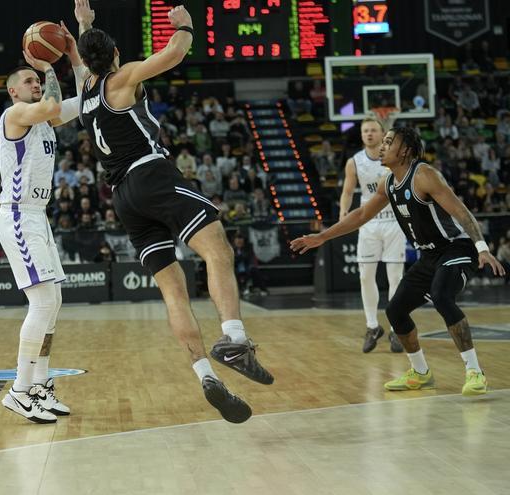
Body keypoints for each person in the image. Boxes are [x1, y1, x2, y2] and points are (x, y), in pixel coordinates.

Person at [76, 0, 271, 424]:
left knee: (173, 290)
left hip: (123, 198)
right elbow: (175, 54)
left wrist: (84, 25)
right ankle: (235, 337)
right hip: (151, 176)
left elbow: (80, 63)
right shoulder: (118, 78)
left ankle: (205, 375)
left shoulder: (86, 93)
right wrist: (185, 25)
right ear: (113, 56)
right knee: (218, 247)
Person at [291, 127, 506, 396]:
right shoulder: (388, 183)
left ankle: (475, 372)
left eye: (389, 141)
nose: (383, 145)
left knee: (441, 296)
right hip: (429, 255)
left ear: (404, 151)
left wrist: (482, 248)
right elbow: (360, 216)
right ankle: (420, 372)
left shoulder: (425, 175)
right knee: (395, 311)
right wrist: (322, 237)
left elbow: (461, 212)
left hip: (456, 249)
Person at [0, 19, 87, 424]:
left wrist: (71, 50)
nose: (36, 83)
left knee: (55, 303)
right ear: (14, 90)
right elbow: (51, 104)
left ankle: (39, 386)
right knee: (43, 301)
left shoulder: (44, 119)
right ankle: (18, 390)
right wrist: (48, 67)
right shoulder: (15, 113)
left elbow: (85, 98)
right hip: (16, 215)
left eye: (38, 79)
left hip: (38, 217)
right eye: (29, 80)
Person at [339, 117, 406, 353]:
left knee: (395, 277)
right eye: (365, 130)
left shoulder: (395, 157)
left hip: (394, 222)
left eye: (373, 130)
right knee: (365, 276)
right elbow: (348, 191)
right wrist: (343, 213)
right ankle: (372, 326)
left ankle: (398, 328)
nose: (369, 134)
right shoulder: (354, 161)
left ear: (383, 133)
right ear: (361, 135)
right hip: (368, 222)